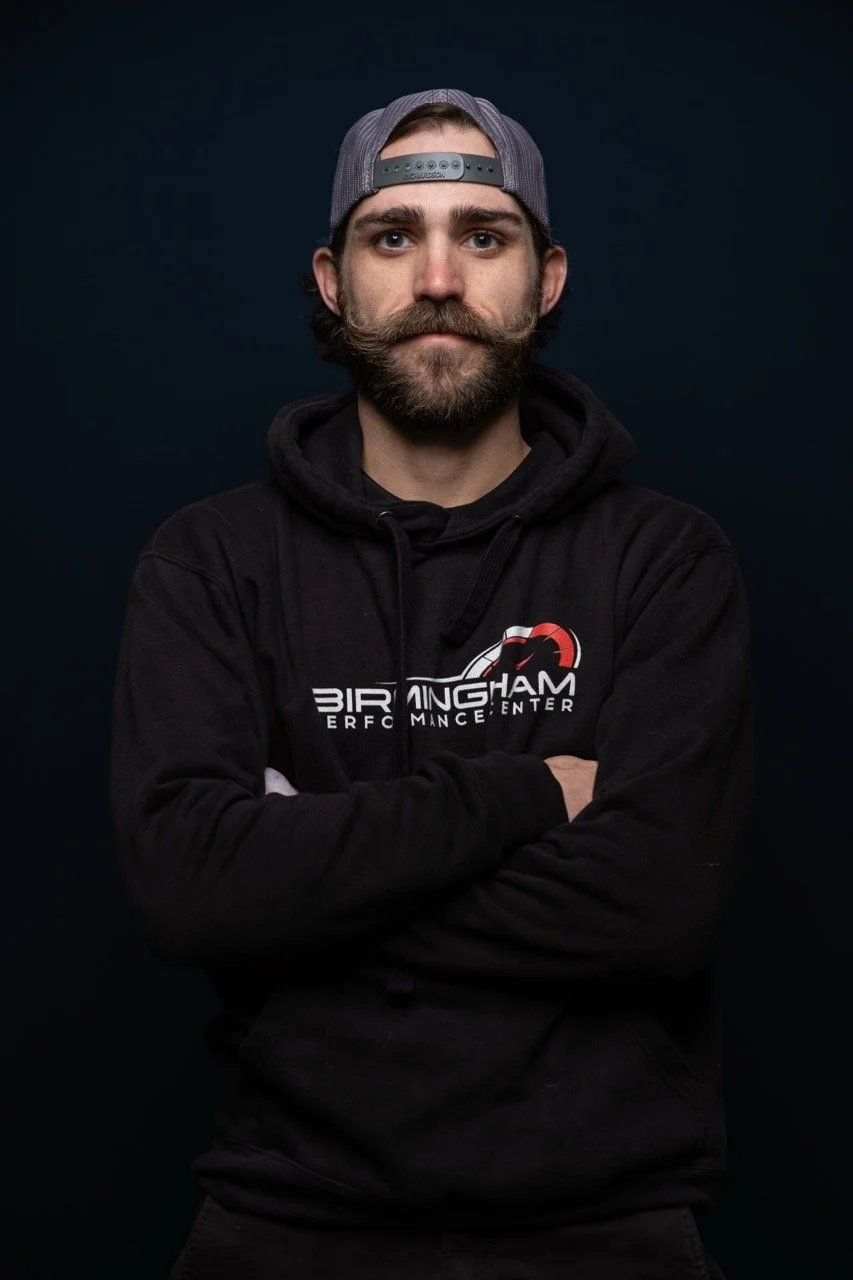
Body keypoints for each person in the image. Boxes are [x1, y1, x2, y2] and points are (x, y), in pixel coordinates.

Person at [110, 88, 751, 1279]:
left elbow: (659, 901)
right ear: (332, 279)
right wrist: (527, 797)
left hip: (606, 1227)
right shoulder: (212, 561)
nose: (439, 278)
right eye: (393, 235)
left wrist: (305, 866)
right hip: (281, 1219)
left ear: (545, 280)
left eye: (484, 236)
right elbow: (192, 887)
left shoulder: (661, 559)